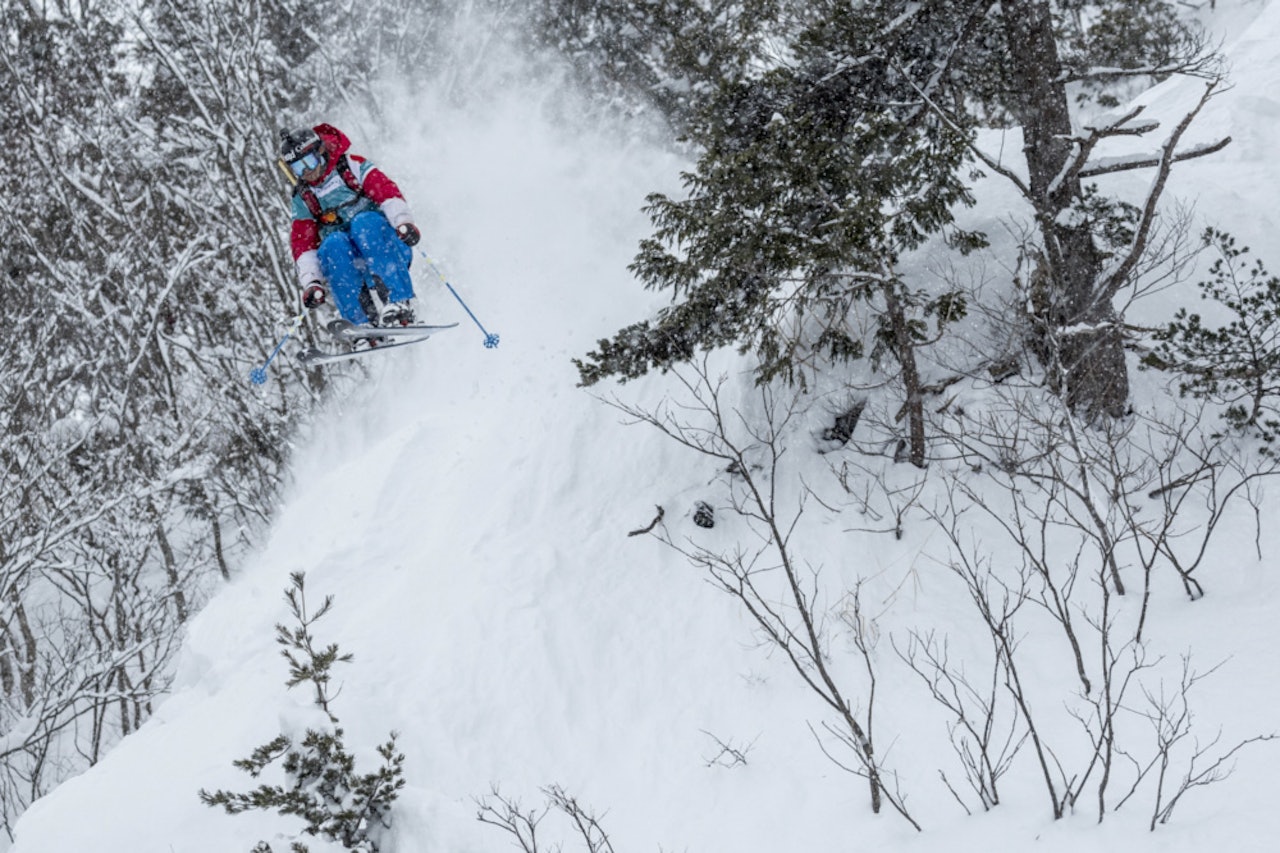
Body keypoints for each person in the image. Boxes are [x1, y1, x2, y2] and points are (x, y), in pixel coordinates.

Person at [279, 124, 422, 331]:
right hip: (352, 264)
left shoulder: (349, 167)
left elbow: (385, 191)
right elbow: (303, 244)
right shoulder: (304, 198)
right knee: (332, 244)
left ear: (320, 150)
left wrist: (403, 223)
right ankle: (361, 325)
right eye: (299, 169)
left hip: (386, 249)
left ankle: (401, 302)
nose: (307, 172)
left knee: (363, 223)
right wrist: (312, 282)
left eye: (309, 162)